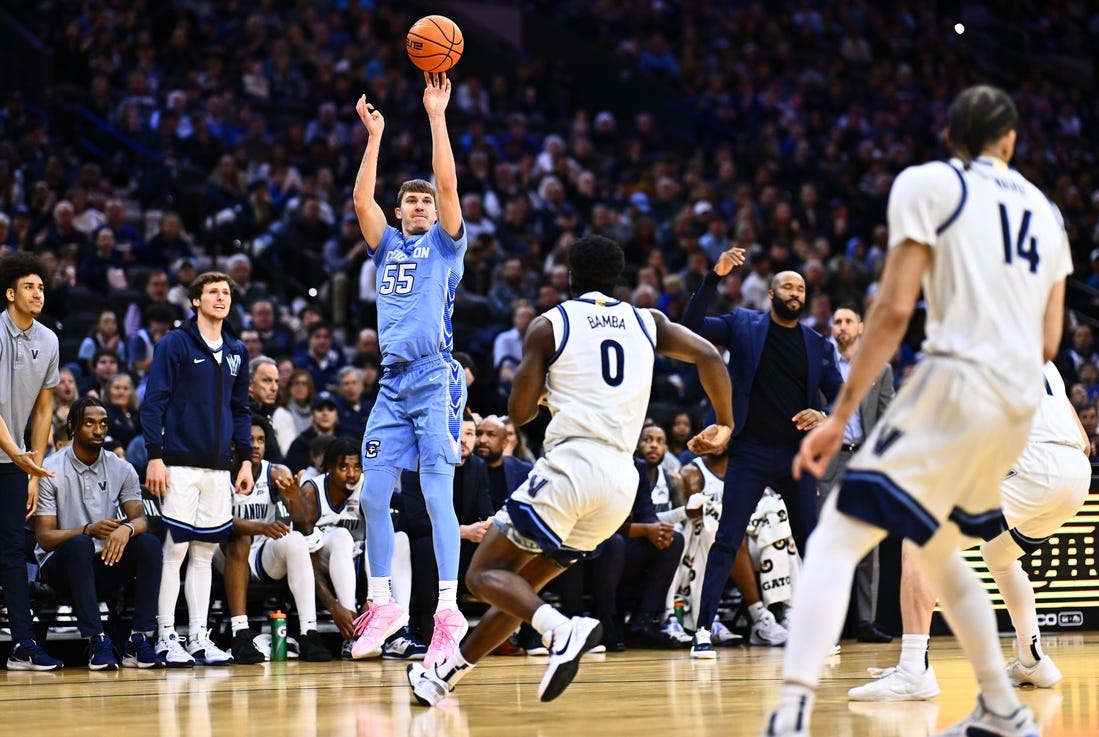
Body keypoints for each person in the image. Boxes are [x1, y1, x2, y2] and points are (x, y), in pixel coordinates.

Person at [763, 85, 1070, 737]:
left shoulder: (927, 183)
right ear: (1009, 141)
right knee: (938, 547)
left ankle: (788, 712)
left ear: (949, 137)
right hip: (1016, 406)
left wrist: (839, 408)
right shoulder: (1045, 213)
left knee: (838, 536)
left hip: (955, 384)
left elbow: (895, 310)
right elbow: (1048, 343)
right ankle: (1001, 706)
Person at [406, 234, 733, 706]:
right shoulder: (649, 321)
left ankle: (562, 631)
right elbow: (707, 354)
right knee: (522, 587)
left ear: (570, 277)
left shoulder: (549, 324)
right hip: (621, 480)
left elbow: (518, 414)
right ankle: (446, 673)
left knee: (482, 576)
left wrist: (542, 394)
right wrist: (724, 423)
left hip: (573, 466)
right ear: (618, 279)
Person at [848, 361, 1090, 702]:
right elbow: (1085, 442)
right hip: (1076, 475)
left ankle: (913, 670)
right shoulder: (1046, 360)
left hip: (1034, 467)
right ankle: (1032, 659)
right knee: (998, 555)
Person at [349, 73, 471, 669]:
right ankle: (384, 602)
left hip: (436, 378)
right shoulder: (388, 246)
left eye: (426, 201)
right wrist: (374, 136)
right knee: (372, 494)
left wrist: (435, 116)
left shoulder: (446, 246)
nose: (422, 204)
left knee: (434, 491)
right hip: (392, 383)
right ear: (399, 213)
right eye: (412, 201)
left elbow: (448, 182)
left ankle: (448, 613)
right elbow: (359, 202)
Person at [681, 254, 843, 658]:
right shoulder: (743, 324)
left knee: (813, 542)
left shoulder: (817, 344)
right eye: (788, 287)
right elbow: (691, 328)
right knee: (727, 538)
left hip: (795, 455)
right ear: (771, 293)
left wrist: (823, 414)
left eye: (801, 288)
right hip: (750, 450)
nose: (795, 293)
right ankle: (703, 630)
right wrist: (713, 279)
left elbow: (843, 397)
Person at [140, 270, 254, 667]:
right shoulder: (174, 343)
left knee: (204, 554)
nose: (221, 298)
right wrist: (155, 454)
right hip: (179, 464)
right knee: (176, 551)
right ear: (195, 301)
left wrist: (245, 462)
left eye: (225, 293)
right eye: (212, 293)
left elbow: (241, 410)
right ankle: (165, 635)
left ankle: (198, 637)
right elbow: (154, 401)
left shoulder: (238, 349)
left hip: (220, 469)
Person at [34, 397, 162, 670]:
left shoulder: (121, 468)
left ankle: (138, 640)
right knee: (80, 544)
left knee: (149, 544)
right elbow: (44, 537)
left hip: (103, 562)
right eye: (89, 423)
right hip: (60, 569)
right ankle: (96, 640)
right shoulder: (51, 469)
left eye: (103, 423)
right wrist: (87, 530)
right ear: (72, 427)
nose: (99, 430)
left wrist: (126, 529)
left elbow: (142, 519)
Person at [216, 415, 331, 664]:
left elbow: (304, 519)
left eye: (261, 440)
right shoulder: (219, 472)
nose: (256, 445)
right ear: (234, 444)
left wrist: (294, 497)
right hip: (222, 551)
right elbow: (220, 522)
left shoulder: (276, 472)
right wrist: (261, 526)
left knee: (297, 539)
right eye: (250, 440)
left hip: (260, 553)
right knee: (239, 539)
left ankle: (309, 632)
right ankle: (241, 634)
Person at [287, 437, 413, 658]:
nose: (352, 474)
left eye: (357, 467)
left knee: (399, 538)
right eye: (343, 467)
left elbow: (378, 534)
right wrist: (334, 606)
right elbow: (306, 556)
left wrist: (373, 597)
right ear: (328, 468)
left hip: (359, 560)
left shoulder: (366, 487)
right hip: (319, 560)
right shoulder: (310, 493)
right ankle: (352, 629)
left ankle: (398, 631)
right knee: (341, 536)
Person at [0, 252, 64, 671]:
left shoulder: (49, 340)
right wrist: (17, 455)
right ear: (10, 293)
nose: (37, 292)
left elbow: (44, 411)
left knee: (10, 551)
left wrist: (32, 470)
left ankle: (22, 644)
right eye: (28, 286)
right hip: (10, 452)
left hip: (15, 459)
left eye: (41, 286)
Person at [817, 305, 894, 644]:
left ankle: (865, 620)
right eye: (837, 321)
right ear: (831, 328)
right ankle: (824, 621)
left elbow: (886, 418)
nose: (843, 326)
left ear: (861, 327)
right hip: (828, 462)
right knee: (822, 539)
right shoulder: (820, 363)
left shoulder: (881, 367)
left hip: (862, 460)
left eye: (849, 321)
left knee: (867, 543)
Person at [399, 416, 492, 654]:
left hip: (468, 542)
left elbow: (484, 512)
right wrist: (462, 532)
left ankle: (504, 632)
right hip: (427, 541)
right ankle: (431, 628)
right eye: (457, 432)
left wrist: (488, 525)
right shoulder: (418, 465)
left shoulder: (478, 467)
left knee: (497, 547)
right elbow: (416, 521)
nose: (463, 439)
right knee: (426, 546)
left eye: (470, 433)